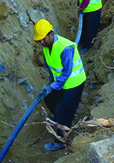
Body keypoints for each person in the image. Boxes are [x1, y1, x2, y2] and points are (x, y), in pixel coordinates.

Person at [33, 19, 86, 151]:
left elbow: (66, 72)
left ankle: (60, 142)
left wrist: (52, 86)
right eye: (38, 40)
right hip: (61, 83)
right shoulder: (47, 47)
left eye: (43, 39)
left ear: (51, 34)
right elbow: (52, 68)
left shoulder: (65, 48)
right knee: (49, 99)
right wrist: (50, 83)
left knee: (60, 112)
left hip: (74, 83)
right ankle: (63, 119)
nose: (41, 42)